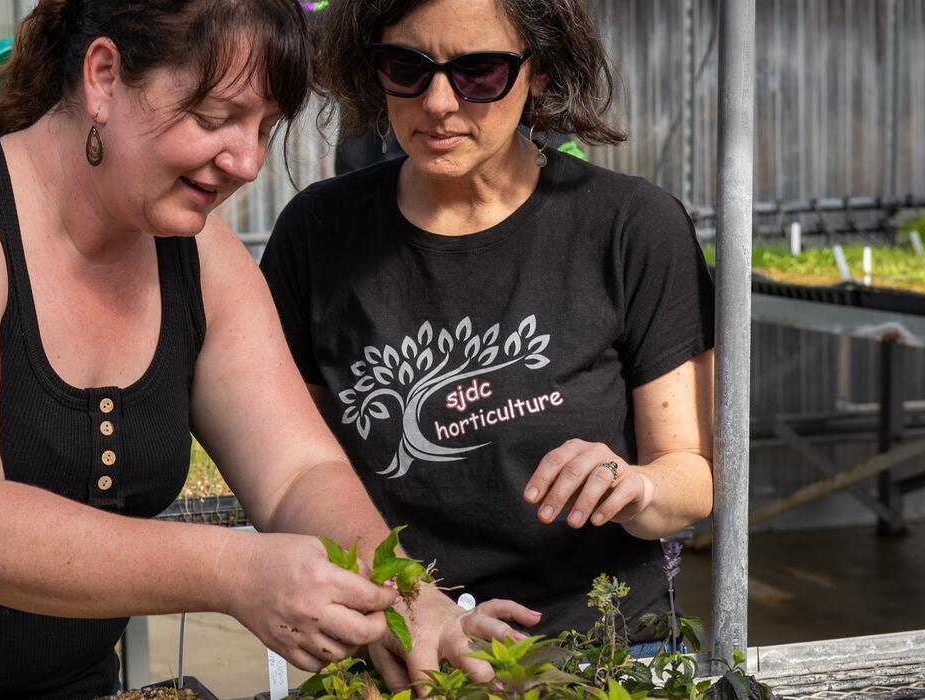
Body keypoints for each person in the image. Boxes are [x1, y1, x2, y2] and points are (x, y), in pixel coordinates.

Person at [0, 1, 534, 698]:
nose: (245, 160)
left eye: (263, 128)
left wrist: (405, 594)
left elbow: (296, 473)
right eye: (215, 118)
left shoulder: (200, 258)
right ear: (102, 77)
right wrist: (235, 572)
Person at [260, 0, 716, 683]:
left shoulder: (630, 227)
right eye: (405, 69)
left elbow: (694, 476)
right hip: (402, 656)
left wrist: (636, 485)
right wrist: (406, 603)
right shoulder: (318, 237)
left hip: (606, 657)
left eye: (479, 73)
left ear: (539, 72)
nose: (439, 102)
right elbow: (287, 466)